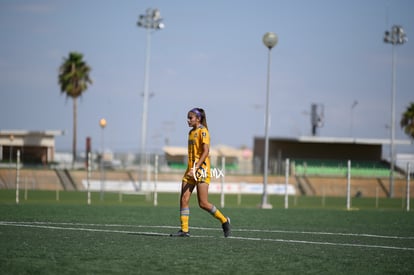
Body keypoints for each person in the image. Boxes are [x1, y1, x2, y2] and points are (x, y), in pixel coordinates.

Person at [170, 107, 231, 237]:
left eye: (190, 117)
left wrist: (196, 168)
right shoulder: (191, 133)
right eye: (188, 117)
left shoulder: (203, 132)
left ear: (198, 119)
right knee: (184, 199)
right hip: (190, 170)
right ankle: (185, 230)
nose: (188, 120)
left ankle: (224, 221)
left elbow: (206, 151)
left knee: (203, 203)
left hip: (201, 170)